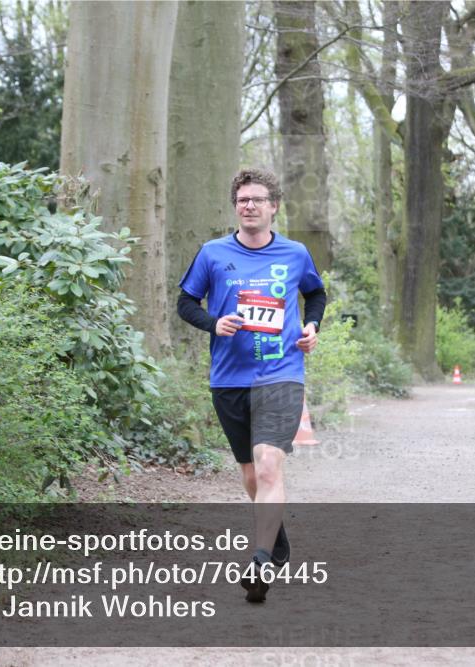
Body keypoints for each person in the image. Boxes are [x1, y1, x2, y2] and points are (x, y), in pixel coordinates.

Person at [176, 168, 326, 602]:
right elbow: (186, 302)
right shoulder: (212, 253)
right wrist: (213, 322)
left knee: (267, 466)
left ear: (274, 206)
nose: (250, 206)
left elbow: (315, 295)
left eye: (258, 199)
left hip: (281, 373)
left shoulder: (295, 253)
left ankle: (260, 559)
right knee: (249, 473)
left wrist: (312, 326)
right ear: (235, 206)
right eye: (243, 200)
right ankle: (276, 542)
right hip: (228, 378)